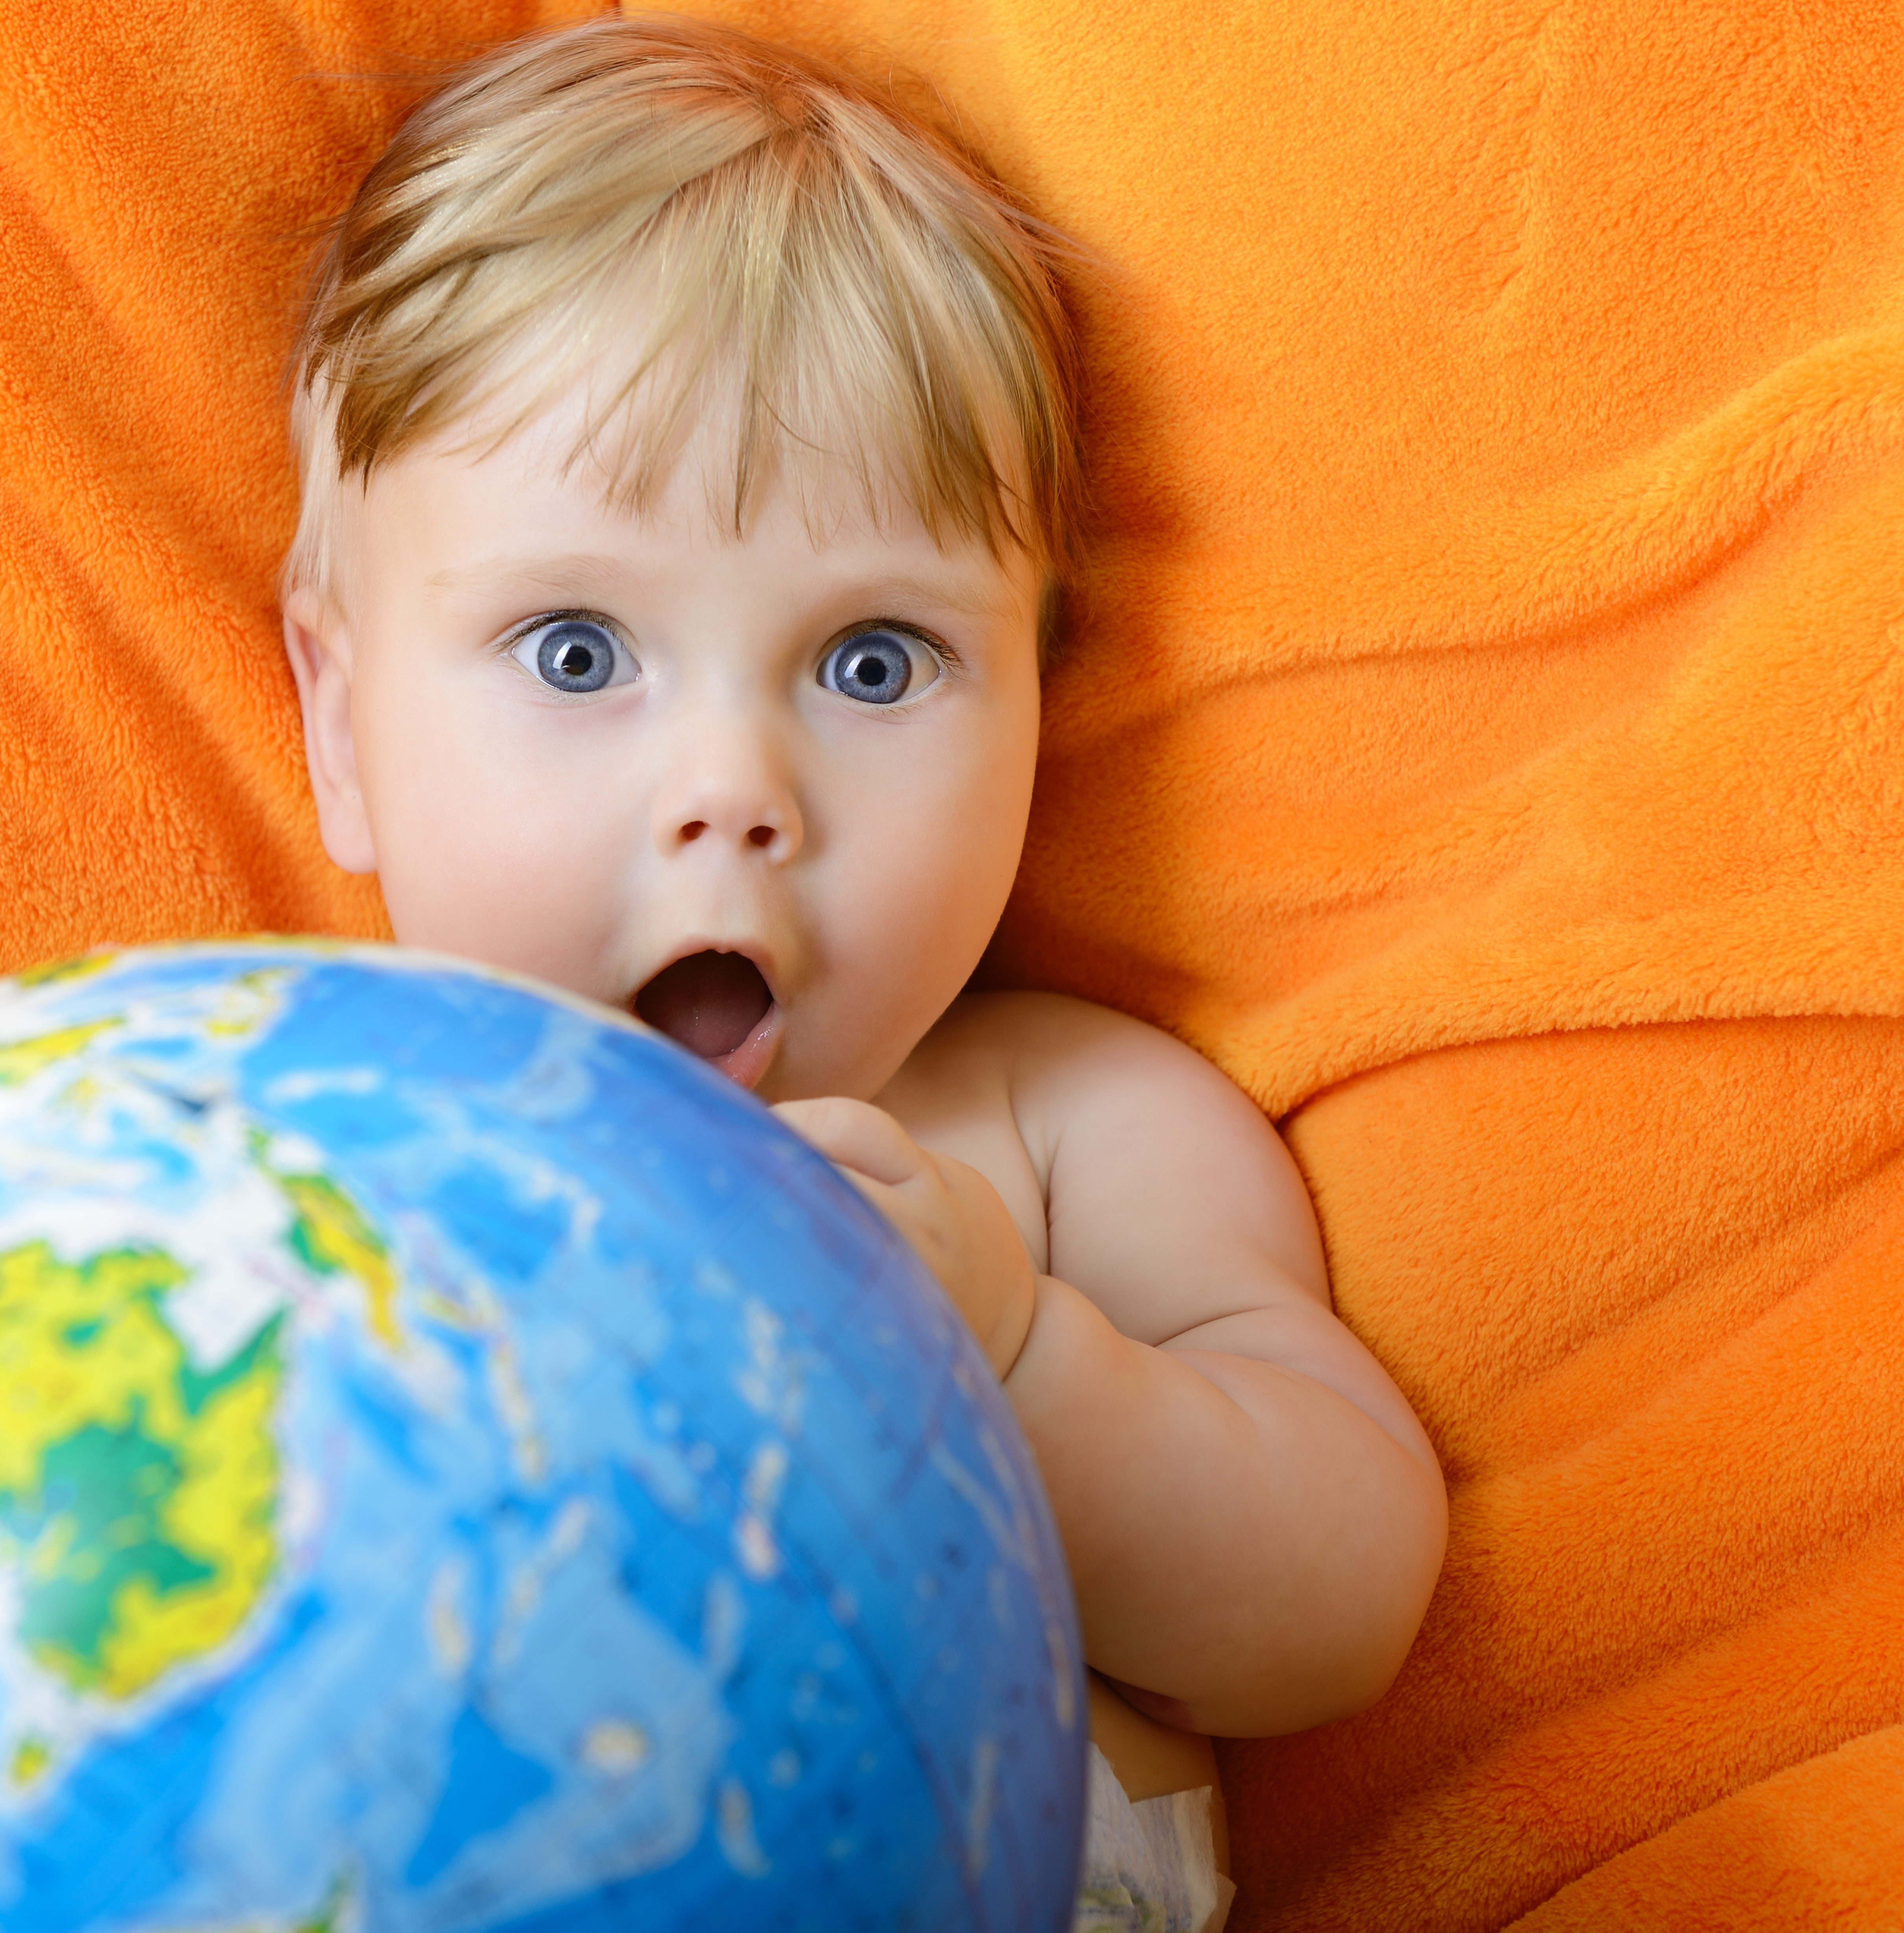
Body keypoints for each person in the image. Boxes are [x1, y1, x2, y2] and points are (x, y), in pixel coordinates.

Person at [279, 17, 1448, 1925]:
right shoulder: (274, 1142)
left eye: (875, 663)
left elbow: (1336, 1607)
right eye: (578, 652)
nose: (737, 793)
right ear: (339, 722)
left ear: (1041, 711)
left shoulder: (1065, 1128)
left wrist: (1006, 1357)